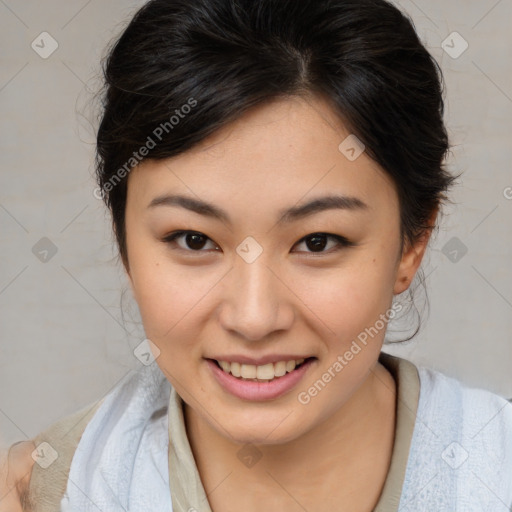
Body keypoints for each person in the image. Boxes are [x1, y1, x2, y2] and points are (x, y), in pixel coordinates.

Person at [2, 0, 511, 510]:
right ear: (123, 240)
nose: (254, 318)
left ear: (413, 240)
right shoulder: (44, 493)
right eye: (194, 240)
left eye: (317, 242)